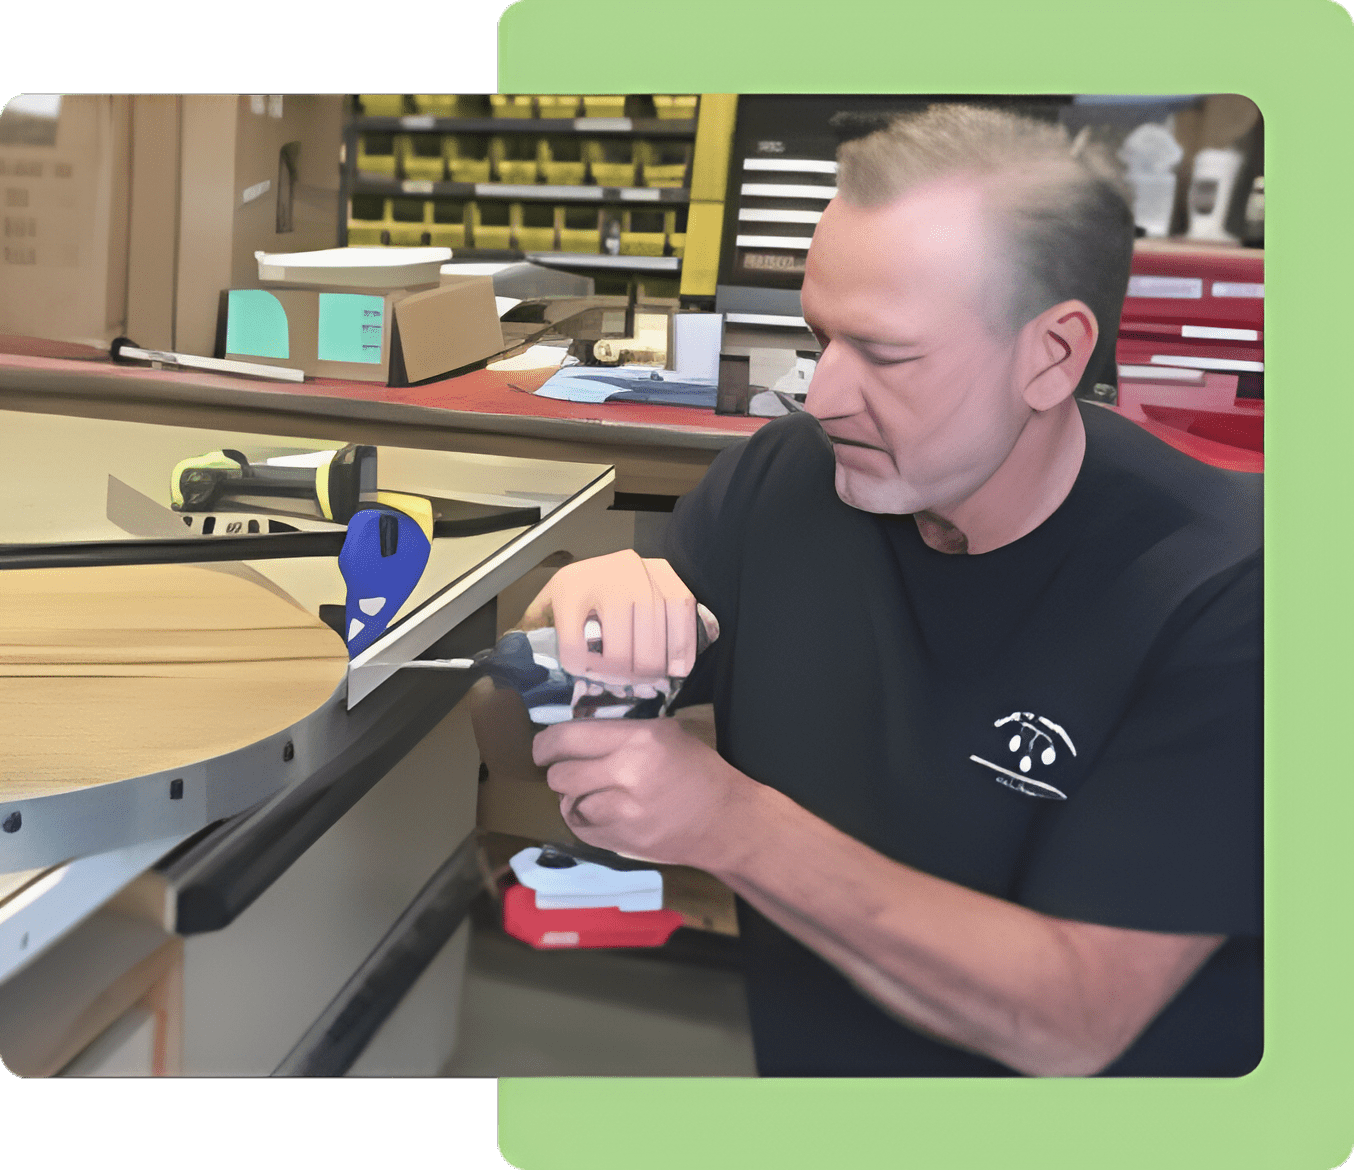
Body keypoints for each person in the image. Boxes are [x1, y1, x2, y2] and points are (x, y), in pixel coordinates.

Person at [493, 105, 1262, 1078]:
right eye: (823, 338)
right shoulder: (780, 482)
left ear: (1053, 355)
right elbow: (505, 744)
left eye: (887, 353)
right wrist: (559, 634)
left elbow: (1070, 1022)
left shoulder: (1228, 593)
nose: (821, 397)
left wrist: (728, 824)